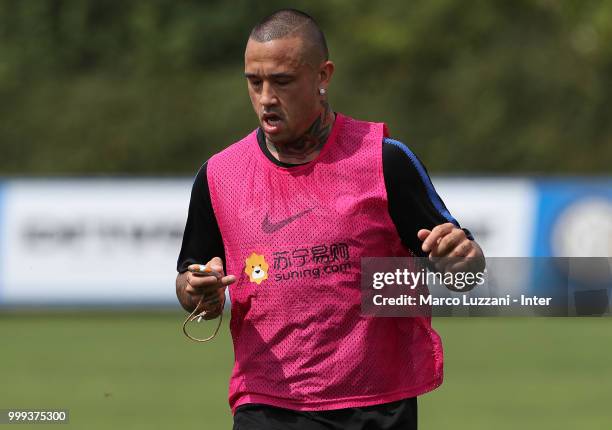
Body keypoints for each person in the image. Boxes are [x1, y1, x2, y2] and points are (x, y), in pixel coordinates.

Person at [176, 8, 485, 430]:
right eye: (254, 81)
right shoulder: (218, 175)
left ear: (323, 76)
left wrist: (462, 261)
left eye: (282, 81)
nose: (266, 97)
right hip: (265, 406)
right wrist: (200, 292)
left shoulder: (384, 159)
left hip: (376, 406)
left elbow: (464, 269)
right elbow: (191, 284)